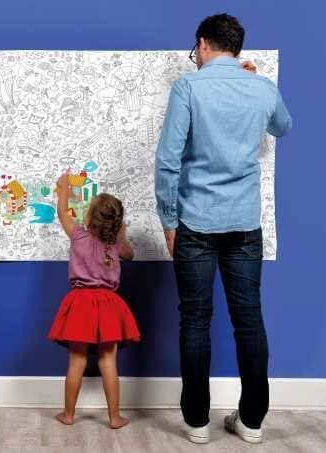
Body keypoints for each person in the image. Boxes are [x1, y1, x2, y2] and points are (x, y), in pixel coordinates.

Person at [155, 13, 292, 444]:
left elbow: (168, 160)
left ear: (203, 44)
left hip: (196, 220)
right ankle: (252, 421)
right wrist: (258, 82)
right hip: (244, 221)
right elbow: (283, 126)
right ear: (236, 48)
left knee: (195, 320)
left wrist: (168, 220)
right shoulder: (261, 87)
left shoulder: (189, 87)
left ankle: (197, 422)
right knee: (248, 319)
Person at [48, 172, 140, 429]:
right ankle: (114, 417)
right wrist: (121, 235)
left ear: (89, 218)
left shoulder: (78, 236)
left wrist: (64, 188)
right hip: (109, 305)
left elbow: (62, 212)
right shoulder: (116, 246)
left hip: (80, 304)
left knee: (77, 362)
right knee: (108, 362)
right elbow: (131, 255)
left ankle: (68, 414)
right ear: (115, 224)